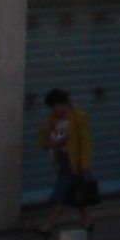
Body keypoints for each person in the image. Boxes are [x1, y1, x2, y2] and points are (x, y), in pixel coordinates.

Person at [37, 88, 92, 226]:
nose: (55, 110)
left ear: (63, 104)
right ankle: (87, 221)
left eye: (56, 106)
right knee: (76, 191)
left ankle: (47, 225)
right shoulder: (52, 119)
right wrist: (51, 143)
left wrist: (85, 162)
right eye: (53, 108)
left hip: (74, 161)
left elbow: (85, 141)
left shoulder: (79, 117)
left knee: (62, 191)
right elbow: (43, 138)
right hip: (62, 158)